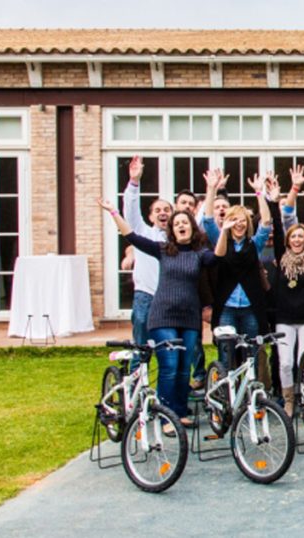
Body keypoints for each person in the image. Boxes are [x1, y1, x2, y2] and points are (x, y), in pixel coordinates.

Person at [99, 199, 215, 428]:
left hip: (189, 318)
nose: (181, 225)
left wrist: (223, 228)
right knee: (170, 366)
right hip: (163, 316)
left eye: (185, 222)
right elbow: (132, 236)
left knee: (184, 369)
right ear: (171, 230)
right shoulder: (162, 250)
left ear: (192, 228)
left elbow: (219, 256)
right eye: (177, 223)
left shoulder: (200, 254)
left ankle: (180, 412)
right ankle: (166, 415)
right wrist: (113, 211)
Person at [204, 171, 273, 367]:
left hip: (250, 307)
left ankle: (248, 393)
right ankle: (227, 393)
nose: (239, 224)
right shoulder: (221, 241)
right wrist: (211, 190)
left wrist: (260, 193)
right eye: (235, 220)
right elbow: (208, 220)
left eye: (243, 220)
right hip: (227, 307)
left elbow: (266, 223)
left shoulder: (254, 244)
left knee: (251, 354)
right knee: (226, 355)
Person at [267, 177, 304, 416]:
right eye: (294, 237)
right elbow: (278, 228)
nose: (297, 240)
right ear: (288, 240)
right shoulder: (281, 258)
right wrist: (273, 203)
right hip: (284, 318)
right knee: (286, 362)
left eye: (301, 236)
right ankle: (289, 399)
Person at [121, 155, 172, 349]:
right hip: (146, 294)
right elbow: (131, 212)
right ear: (150, 216)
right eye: (158, 210)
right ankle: (136, 376)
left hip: (169, 296)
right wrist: (134, 182)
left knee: (169, 344)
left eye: (167, 209)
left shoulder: (178, 238)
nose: (162, 213)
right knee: (141, 343)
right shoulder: (143, 232)